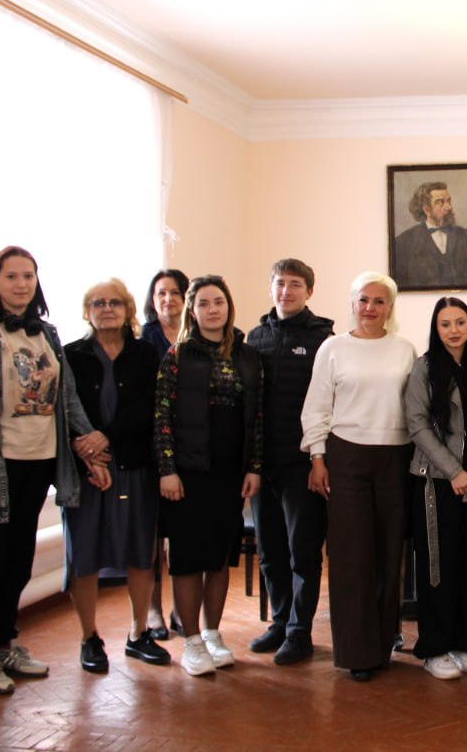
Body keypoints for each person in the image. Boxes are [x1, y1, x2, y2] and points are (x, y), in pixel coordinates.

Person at [0, 246, 109, 694]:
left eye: (28, 276)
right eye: (12, 276)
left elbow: (67, 399)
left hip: (38, 465)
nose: (21, 284)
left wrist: (90, 447)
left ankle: (3, 644)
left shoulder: (47, 335)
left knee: (17, 562)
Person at [300, 271, 417, 682]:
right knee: (352, 557)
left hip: (396, 457)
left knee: (388, 553)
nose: (370, 307)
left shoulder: (405, 350)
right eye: (363, 300)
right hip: (346, 456)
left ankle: (383, 643)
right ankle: (356, 652)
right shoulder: (333, 348)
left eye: (379, 301)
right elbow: (317, 407)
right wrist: (318, 457)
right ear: (352, 304)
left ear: (390, 307)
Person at [154, 275, 263, 676]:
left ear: (229, 307)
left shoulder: (248, 357)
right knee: (187, 558)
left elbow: (257, 419)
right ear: (192, 310)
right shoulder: (178, 356)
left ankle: (213, 634)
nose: (212, 309)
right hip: (187, 473)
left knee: (218, 557)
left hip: (230, 474)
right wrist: (168, 470)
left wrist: (254, 467)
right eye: (204, 303)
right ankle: (192, 642)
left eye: (219, 302)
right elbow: (162, 417)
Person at [62, 279, 167, 673]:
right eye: (98, 303)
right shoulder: (70, 354)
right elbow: (62, 409)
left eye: (114, 303)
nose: (106, 309)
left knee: (141, 552)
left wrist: (106, 439)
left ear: (128, 310)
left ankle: (138, 633)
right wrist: (87, 452)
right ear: (87, 311)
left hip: (134, 465)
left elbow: (149, 408)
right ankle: (89, 638)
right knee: (83, 555)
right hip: (86, 470)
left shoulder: (145, 354)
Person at [403, 297, 467, 680]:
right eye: (445, 324)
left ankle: (465, 643)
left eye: (460, 322)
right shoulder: (424, 369)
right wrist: (453, 472)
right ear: (436, 329)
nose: (453, 330)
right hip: (437, 482)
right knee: (439, 565)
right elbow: (417, 424)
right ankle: (435, 648)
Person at [245, 259, 335, 665]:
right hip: (263, 465)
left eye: (295, 284)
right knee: (270, 552)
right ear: (271, 288)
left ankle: (300, 632)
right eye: (280, 283)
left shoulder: (323, 339)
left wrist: (320, 458)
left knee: (303, 552)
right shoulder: (254, 338)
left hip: (303, 465)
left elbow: (328, 404)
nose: (287, 291)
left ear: (309, 292)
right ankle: (280, 622)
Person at [139, 267, 189, 639]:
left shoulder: (196, 336)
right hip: (153, 448)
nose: (168, 299)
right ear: (152, 300)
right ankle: (153, 611)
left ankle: (180, 609)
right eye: (161, 293)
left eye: (174, 292)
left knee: (182, 536)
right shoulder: (144, 341)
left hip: (189, 448)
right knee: (153, 537)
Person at [393, 182, 467, 288]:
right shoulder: (404, 242)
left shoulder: (464, 236)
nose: (449, 207)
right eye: (440, 202)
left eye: (449, 201)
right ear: (427, 209)